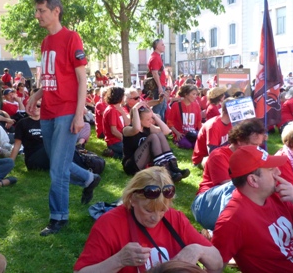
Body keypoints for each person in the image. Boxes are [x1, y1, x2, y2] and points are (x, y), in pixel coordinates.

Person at [26, 0, 101, 236]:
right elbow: (50, 77)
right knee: (58, 161)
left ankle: (58, 218)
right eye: (36, 11)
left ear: (56, 11)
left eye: (41, 10)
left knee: (57, 169)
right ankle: (89, 178)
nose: (37, 15)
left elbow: (82, 80)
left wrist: (80, 116)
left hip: (67, 111)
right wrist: (37, 95)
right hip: (48, 110)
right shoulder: (46, 42)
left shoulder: (72, 37)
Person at [74, 167, 223, 273]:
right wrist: (118, 260)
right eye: (148, 210)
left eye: (162, 210)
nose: (156, 217)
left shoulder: (175, 218)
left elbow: (217, 264)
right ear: (132, 199)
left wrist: (196, 250)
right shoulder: (109, 224)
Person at [212, 145, 293, 273]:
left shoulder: (276, 195)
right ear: (253, 180)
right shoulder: (232, 219)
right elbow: (214, 266)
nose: (279, 172)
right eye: (271, 169)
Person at [191, 119, 267, 231]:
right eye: (254, 144)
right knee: (236, 185)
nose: (257, 148)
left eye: (259, 145)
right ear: (240, 141)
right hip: (206, 205)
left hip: (231, 203)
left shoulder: (254, 155)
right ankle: (224, 231)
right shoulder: (218, 155)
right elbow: (230, 187)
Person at [122, 102, 189, 180]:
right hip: (131, 165)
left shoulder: (148, 127)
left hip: (144, 163)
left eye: (151, 118)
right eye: (148, 119)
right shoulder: (127, 129)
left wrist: (153, 115)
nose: (151, 121)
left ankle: (173, 167)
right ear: (138, 119)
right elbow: (136, 129)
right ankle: (165, 171)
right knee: (153, 137)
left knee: (160, 134)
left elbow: (166, 131)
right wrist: (134, 109)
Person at [191, 101, 231, 166]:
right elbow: (212, 153)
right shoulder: (214, 125)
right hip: (203, 159)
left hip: (221, 153)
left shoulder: (232, 123)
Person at [167, 84, 202, 149]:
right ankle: (176, 141)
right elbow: (169, 122)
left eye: (196, 94)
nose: (195, 96)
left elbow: (199, 122)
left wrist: (200, 135)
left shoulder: (196, 106)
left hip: (192, 133)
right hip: (181, 134)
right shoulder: (176, 105)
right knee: (188, 145)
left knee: (196, 146)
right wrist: (177, 133)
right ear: (186, 94)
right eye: (193, 94)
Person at [103, 87, 129, 159]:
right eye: (124, 95)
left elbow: (128, 123)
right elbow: (114, 131)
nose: (125, 97)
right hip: (114, 142)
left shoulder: (120, 108)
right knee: (132, 153)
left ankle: (114, 153)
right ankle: (112, 153)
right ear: (119, 96)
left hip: (120, 139)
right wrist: (126, 141)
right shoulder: (112, 110)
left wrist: (123, 113)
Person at [148, 39, 167, 119]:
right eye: (162, 44)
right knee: (158, 109)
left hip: (161, 85)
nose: (164, 46)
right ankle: (158, 128)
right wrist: (159, 87)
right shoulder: (155, 57)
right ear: (157, 46)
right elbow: (155, 73)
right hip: (158, 87)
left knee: (162, 108)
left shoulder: (157, 56)